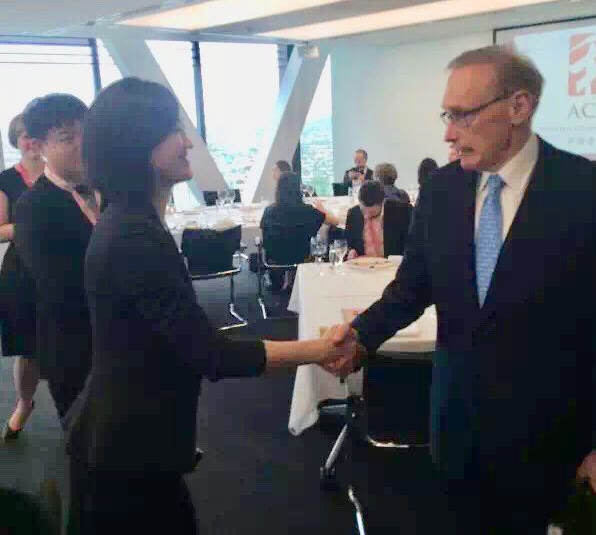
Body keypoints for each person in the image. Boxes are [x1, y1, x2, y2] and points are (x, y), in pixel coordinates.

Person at [326, 46, 596, 534]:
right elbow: (412, 288)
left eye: (463, 115)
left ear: (519, 107)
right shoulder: (441, 192)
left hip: (553, 440)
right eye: (447, 116)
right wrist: (360, 337)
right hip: (456, 428)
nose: (449, 133)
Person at [64, 78, 354, 533]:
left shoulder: (130, 223)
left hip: (129, 438)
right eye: (173, 130)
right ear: (140, 145)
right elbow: (211, 354)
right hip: (126, 450)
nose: (187, 143)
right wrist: (317, 350)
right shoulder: (135, 236)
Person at [14, 94, 96, 421]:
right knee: (87, 437)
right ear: (37, 146)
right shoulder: (33, 207)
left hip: (121, 344)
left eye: (86, 133)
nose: (82, 144)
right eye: (67, 138)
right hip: (75, 347)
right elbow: (60, 289)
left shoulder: (109, 189)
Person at [0, 115, 44, 440]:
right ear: (16, 141)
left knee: (80, 341)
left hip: (66, 268)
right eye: (25, 136)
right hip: (23, 270)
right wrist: (30, 226)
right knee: (27, 348)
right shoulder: (6, 180)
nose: (31, 141)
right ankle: (25, 403)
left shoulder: (65, 175)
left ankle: (82, 409)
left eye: (36, 134)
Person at [261, 171, 328, 290]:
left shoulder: (269, 211)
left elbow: (265, 237)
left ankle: (286, 280)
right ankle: (292, 279)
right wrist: (322, 209)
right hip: (303, 256)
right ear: (299, 189)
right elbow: (329, 220)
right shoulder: (309, 211)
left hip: (276, 257)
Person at [345, 180, 412, 259]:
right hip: (362, 264)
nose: (366, 216)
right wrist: (350, 251)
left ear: (382, 202)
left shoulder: (402, 212)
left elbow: (412, 244)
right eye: (363, 211)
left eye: (372, 212)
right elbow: (348, 244)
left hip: (392, 264)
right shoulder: (353, 214)